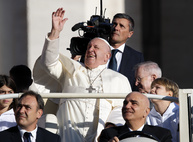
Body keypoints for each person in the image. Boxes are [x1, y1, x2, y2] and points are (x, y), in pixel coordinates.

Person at [33, 8, 132, 142]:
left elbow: (122, 108)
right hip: (68, 136)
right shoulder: (71, 69)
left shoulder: (119, 79)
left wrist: (110, 128)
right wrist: (55, 32)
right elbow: (48, 63)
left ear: (107, 56)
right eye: (89, 47)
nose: (90, 49)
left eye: (96, 47)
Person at [98, 92, 172, 142]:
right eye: (125, 103)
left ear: (146, 112)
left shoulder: (162, 135)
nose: (127, 106)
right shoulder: (109, 134)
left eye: (134, 103)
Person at [108, 13, 144, 91]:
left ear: (130, 34)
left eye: (121, 26)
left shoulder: (136, 58)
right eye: (114, 24)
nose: (116, 28)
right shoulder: (95, 50)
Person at [146, 77, 179, 142]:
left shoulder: (180, 112)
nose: (152, 90)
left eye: (157, 87)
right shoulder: (147, 115)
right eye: (152, 87)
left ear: (169, 94)